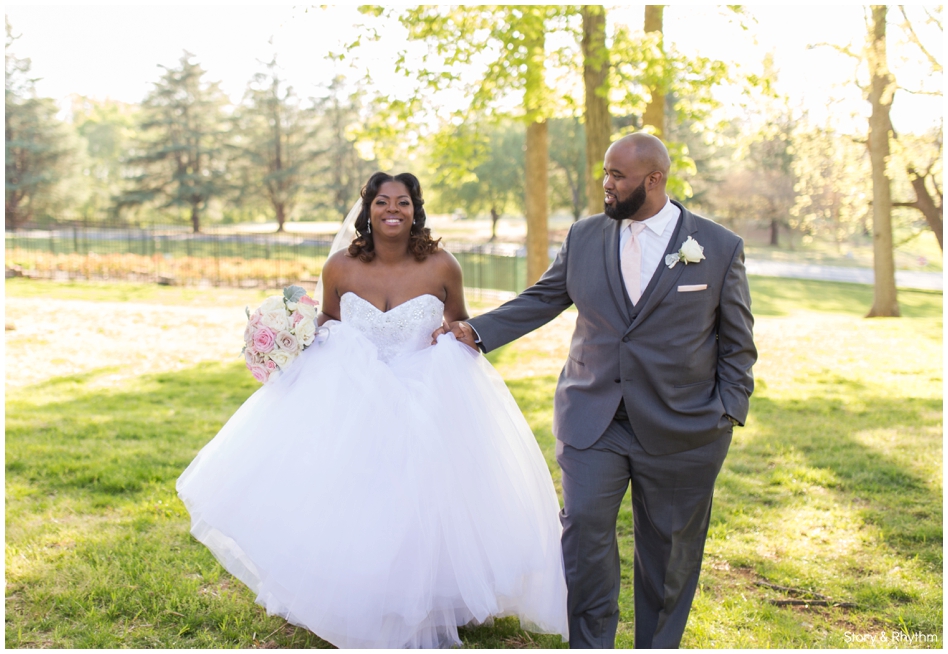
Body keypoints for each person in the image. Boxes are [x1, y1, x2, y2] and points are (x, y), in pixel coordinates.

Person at [176, 172, 568, 649]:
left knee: (424, 497)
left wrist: (453, 334)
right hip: (354, 395)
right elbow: (328, 321)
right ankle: (351, 591)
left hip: (426, 393)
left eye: (402, 202)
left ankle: (425, 597)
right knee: (353, 494)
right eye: (383, 202)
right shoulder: (340, 267)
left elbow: (461, 322)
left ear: (415, 209)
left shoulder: (443, 265)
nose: (392, 210)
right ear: (368, 210)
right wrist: (288, 334)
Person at [437, 133, 756, 648]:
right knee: (583, 537)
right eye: (604, 174)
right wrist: (477, 331)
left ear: (654, 180)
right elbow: (544, 297)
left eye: (618, 176)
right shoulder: (585, 236)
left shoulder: (717, 248)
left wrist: (726, 411)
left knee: (669, 556)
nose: (606, 185)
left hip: (684, 427)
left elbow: (738, 343)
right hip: (593, 418)